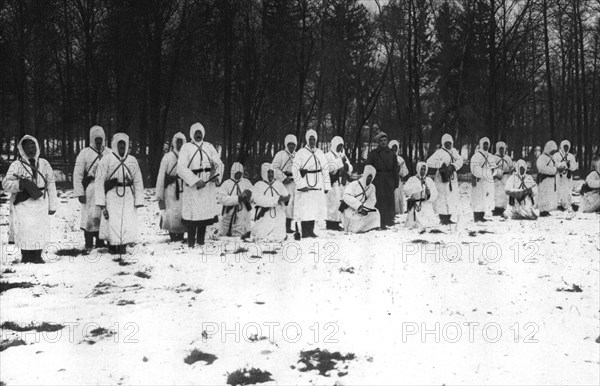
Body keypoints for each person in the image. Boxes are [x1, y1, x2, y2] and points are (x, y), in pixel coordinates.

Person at [2, 135, 57, 263]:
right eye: (27, 147)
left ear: (37, 147)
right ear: (22, 149)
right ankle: (26, 257)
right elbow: (5, 184)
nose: (31, 150)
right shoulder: (17, 165)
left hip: (41, 202)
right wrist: (19, 185)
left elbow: (51, 184)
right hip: (23, 203)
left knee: (39, 229)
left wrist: (53, 205)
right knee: (25, 229)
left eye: (33, 146)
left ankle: (38, 256)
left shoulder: (44, 164)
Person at [95, 133, 144, 255]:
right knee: (113, 221)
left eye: (124, 144)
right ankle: (113, 245)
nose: (122, 146)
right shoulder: (106, 159)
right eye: (119, 143)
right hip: (112, 194)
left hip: (127, 194)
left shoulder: (132, 160)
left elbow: (138, 180)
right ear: (115, 145)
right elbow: (99, 181)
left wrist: (139, 200)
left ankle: (123, 244)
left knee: (127, 220)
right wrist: (101, 201)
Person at [177, 122, 223, 247]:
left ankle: (201, 241)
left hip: (207, 186)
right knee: (192, 215)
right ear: (192, 134)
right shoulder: (186, 147)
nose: (198, 135)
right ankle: (191, 242)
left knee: (204, 214)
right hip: (193, 187)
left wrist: (215, 176)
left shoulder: (209, 147)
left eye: (200, 132)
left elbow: (219, 163)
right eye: (196, 132)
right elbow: (181, 168)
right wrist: (195, 180)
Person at [73, 125, 112, 249]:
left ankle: (101, 241)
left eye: (100, 139)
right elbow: (77, 174)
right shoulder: (85, 153)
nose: (99, 142)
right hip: (90, 189)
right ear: (92, 139)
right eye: (96, 139)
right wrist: (80, 193)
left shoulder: (109, 153)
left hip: (105, 188)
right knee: (90, 216)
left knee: (103, 215)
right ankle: (88, 242)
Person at [292, 129, 330, 238]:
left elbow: (325, 169)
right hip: (306, 183)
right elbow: (295, 170)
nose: (312, 141)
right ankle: (305, 231)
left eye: (314, 139)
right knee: (305, 208)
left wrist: (326, 185)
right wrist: (300, 185)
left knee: (314, 208)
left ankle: (311, 230)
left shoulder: (320, 152)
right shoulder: (301, 153)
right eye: (310, 139)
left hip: (317, 183)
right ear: (307, 140)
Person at [155, 132, 187, 241]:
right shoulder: (167, 157)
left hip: (183, 188)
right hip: (170, 189)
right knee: (171, 212)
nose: (179, 144)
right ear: (174, 143)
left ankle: (182, 234)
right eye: (177, 142)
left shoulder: (187, 157)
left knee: (182, 212)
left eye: (181, 142)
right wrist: (159, 196)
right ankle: (172, 235)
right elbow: (161, 177)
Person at [426, 133, 464, 225]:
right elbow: (429, 162)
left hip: (452, 177)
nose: (448, 145)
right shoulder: (439, 152)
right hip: (442, 178)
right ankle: (443, 218)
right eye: (446, 143)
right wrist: (440, 164)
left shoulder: (454, 151)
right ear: (443, 143)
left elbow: (460, 161)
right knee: (442, 198)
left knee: (451, 197)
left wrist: (453, 166)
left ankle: (449, 217)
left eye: (449, 143)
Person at [366, 132, 399, 229]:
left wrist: (395, 182)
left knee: (389, 199)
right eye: (381, 141)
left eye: (385, 140)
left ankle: (389, 219)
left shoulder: (392, 154)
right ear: (378, 142)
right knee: (380, 200)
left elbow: (395, 169)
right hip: (378, 179)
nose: (383, 142)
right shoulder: (373, 154)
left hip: (389, 179)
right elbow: (368, 167)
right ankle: (380, 220)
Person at [251, 163, 290, 241]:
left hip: (279, 212)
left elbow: (286, 195)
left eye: (272, 172)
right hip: (265, 212)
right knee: (261, 235)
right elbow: (259, 200)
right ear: (264, 173)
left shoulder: (278, 184)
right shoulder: (258, 185)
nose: (271, 174)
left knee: (279, 236)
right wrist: (277, 200)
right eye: (268, 172)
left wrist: (286, 199)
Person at [340, 165, 380, 233]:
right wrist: (358, 206)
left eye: (371, 177)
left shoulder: (372, 187)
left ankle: (371, 227)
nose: (369, 179)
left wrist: (365, 208)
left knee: (376, 212)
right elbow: (346, 196)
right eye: (368, 177)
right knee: (353, 220)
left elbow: (372, 199)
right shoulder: (354, 184)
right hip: (351, 208)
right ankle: (354, 228)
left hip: (363, 209)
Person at [218, 162, 253, 238]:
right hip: (229, 211)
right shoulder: (226, 184)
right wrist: (237, 198)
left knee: (242, 227)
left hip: (243, 211)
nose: (238, 175)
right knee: (226, 230)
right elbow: (221, 199)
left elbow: (254, 196)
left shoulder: (246, 183)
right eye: (236, 173)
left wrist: (248, 195)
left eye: (240, 173)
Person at [325, 136, 353, 231]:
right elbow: (328, 168)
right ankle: (330, 223)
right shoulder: (328, 155)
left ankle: (338, 221)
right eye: (338, 145)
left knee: (340, 203)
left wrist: (347, 166)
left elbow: (350, 167)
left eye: (341, 145)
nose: (340, 148)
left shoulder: (343, 155)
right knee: (333, 203)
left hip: (342, 182)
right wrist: (340, 162)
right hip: (333, 182)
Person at [272, 134, 297, 233]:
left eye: (293, 144)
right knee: (285, 203)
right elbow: (274, 168)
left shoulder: (297, 155)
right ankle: (282, 225)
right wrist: (283, 177)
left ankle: (288, 225)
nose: (292, 146)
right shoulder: (280, 154)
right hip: (283, 183)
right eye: (290, 144)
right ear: (286, 144)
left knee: (292, 204)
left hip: (293, 182)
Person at [470, 137, 498, 222]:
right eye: (484, 144)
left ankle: (482, 216)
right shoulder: (476, 156)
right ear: (481, 144)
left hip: (487, 182)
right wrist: (487, 172)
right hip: (479, 181)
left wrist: (493, 171)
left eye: (487, 144)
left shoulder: (490, 156)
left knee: (485, 199)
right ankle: (477, 216)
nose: (486, 146)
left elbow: (494, 168)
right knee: (478, 198)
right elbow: (475, 169)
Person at [404, 161, 438, 229]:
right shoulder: (412, 179)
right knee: (415, 224)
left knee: (429, 224)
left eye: (424, 169)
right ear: (418, 169)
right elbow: (406, 191)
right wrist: (418, 186)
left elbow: (435, 193)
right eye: (421, 169)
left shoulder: (429, 180)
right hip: (416, 205)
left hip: (426, 204)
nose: (423, 171)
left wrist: (429, 194)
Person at [536, 140, 562, 216]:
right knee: (543, 195)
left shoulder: (552, 157)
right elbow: (541, 168)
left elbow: (556, 164)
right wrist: (555, 170)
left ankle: (547, 209)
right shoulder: (542, 158)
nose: (553, 153)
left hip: (551, 180)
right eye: (552, 151)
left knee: (549, 195)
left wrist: (560, 167)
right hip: (544, 180)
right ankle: (542, 210)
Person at [553, 140, 578, 211]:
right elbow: (555, 164)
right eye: (564, 146)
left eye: (567, 147)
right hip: (559, 175)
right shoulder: (556, 155)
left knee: (568, 189)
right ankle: (558, 204)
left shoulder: (571, 156)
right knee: (559, 189)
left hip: (568, 175)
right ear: (561, 146)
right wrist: (564, 164)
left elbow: (574, 166)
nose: (566, 148)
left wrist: (569, 165)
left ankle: (567, 204)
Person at [388, 140, 409, 214]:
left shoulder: (400, 159)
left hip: (398, 180)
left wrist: (399, 169)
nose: (394, 149)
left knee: (397, 196)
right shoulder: (387, 157)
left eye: (395, 148)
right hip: (389, 180)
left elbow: (405, 172)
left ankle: (397, 212)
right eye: (392, 148)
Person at [493, 141, 513, 217]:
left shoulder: (507, 158)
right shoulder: (494, 158)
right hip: (497, 178)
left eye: (503, 149)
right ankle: (496, 208)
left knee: (505, 194)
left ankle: (503, 209)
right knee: (497, 193)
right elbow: (491, 168)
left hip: (506, 177)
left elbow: (511, 167)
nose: (501, 150)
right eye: (500, 149)